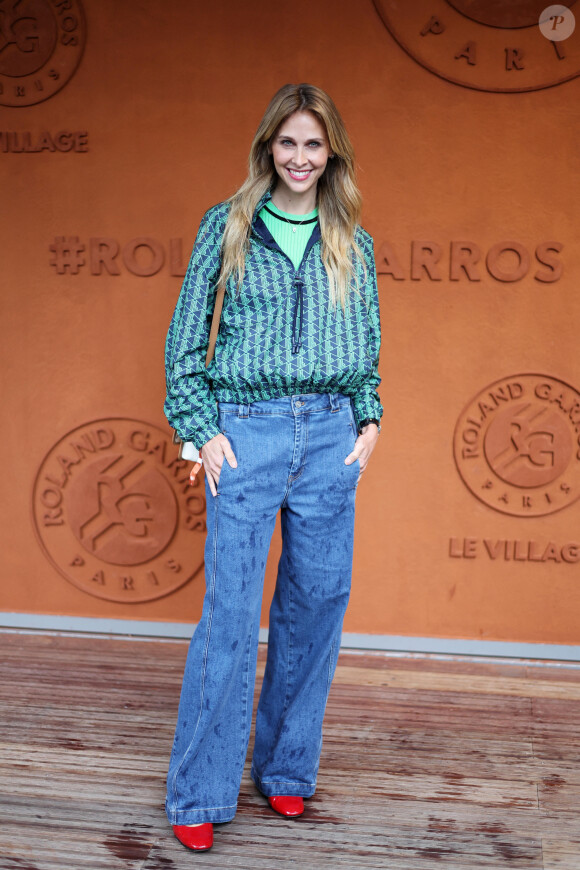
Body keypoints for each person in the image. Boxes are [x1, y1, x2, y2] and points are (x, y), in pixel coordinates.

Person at [163, 83, 382, 852]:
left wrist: (371, 417)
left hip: (329, 437)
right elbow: (188, 338)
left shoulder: (351, 235)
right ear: (268, 147)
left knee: (316, 606)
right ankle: (200, 790)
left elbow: (366, 346)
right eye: (287, 143)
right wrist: (201, 429)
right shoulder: (225, 227)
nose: (299, 158)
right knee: (229, 619)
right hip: (245, 436)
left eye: (313, 145)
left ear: (333, 155)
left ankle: (286, 774)